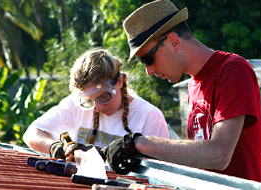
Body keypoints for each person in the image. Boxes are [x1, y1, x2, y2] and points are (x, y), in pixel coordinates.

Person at [104, 0, 261, 183]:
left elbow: (219, 154)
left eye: (148, 59)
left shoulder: (233, 70)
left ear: (173, 42)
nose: (148, 71)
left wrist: (140, 143)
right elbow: (198, 157)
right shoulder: (192, 85)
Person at [23, 48, 169, 159]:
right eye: (89, 100)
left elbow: (162, 171)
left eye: (104, 97)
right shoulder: (75, 105)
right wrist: (55, 148)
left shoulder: (149, 116)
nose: (97, 107)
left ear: (120, 82)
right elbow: (32, 133)